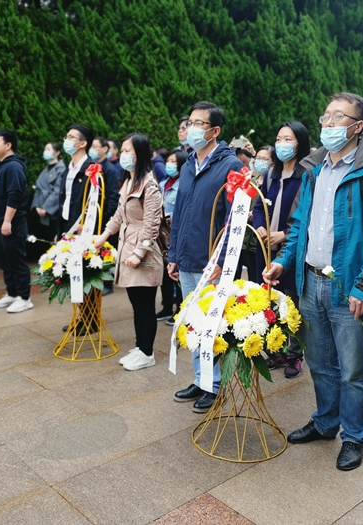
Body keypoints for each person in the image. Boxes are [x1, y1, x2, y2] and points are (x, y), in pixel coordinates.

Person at [263, 92, 363, 471]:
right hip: (310, 283)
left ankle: (354, 436)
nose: (328, 123)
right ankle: (325, 421)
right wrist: (282, 262)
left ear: (358, 127)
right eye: (326, 116)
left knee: (353, 369)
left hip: (348, 286)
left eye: (339, 117)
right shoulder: (312, 170)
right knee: (320, 362)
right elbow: (298, 227)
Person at [168, 101, 245, 414]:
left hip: (212, 263)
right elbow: (179, 213)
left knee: (213, 325)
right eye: (190, 122)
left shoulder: (231, 166)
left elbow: (236, 219)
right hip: (186, 258)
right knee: (193, 323)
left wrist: (223, 262)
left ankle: (215, 386)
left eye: (199, 123)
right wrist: (173, 254)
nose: (192, 128)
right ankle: (201, 380)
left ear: (215, 131)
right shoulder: (188, 163)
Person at [94, 133, 163, 371]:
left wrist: (139, 253)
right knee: (136, 304)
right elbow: (119, 215)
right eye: (122, 150)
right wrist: (104, 235)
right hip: (127, 245)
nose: (122, 155)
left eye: (127, 151)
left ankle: (147, 352)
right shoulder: (128, 181)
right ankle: (140, 347)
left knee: (145, 305)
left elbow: (152, 224)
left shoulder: (149, 185)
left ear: (139, 154)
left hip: (143, 251)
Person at [253, 122, 310, 378]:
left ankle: (295, 354)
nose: (281, 144)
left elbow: (307, 219)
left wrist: (284, 235)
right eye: (278, 139)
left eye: (288, 139)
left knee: (292, 305)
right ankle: (276, 349)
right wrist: (260, 227)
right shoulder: (270, 175)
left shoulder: (307, 176)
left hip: (291, 251)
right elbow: (258, 208)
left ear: (300, 143)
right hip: (266, 249)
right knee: (269, 299)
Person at [0, 130, 33, 314]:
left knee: (16, 260)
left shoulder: (14, 167)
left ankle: (24, 298)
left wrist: (7, 220)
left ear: (8, 145)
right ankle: (12, 293)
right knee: (5, 261)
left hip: (12, 223)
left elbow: (15, 195)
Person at [157, 148, 188, 323]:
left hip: (176, 233)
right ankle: (166, 306)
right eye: (168, 161)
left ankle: (180, 309)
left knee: (177, 271)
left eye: (173, 162)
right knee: (164, 272)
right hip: (161, 235)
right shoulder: (162, 184)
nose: (169, 165)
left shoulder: (184, 185)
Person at [89, 136, 122, 296]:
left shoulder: (110, 169)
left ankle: (108, 283)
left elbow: (114, 195)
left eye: (96, 147)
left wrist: (107, 216)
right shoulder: (93, 167)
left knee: (107, 250)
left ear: (105, 149)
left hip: (106, 216)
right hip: (94, 215)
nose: (93, 149)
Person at [240, 145, 274, 283]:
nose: (261, 162)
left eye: (265, 159)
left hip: (261, 239)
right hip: (245, 239)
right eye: (258, 158)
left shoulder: (273, 184)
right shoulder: (250, 182)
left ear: (273, 163)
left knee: (260, 280)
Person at [57, 125, 96, 237]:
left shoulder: (92, 170)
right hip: (65, 222)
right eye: (66, 137)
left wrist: (87, 226)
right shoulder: (68, 168)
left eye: (71, 137)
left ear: (82, 144)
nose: (66, 140)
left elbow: (96, 202)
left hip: (80, 228)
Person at [31, 142, 65, 240]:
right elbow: (38, 189)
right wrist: (37, 206)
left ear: (57, 152)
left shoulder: (62, 169)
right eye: (45, 149)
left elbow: (58, 192)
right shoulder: (45, 170)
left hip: (53, 213)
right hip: (40, 211)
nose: (46, 151)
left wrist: (46, 209)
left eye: (49, 149)